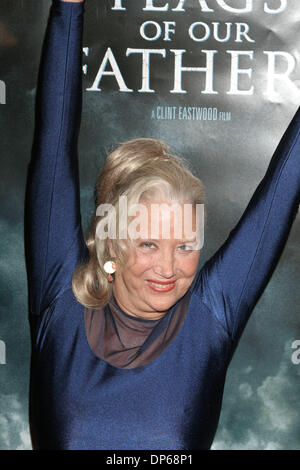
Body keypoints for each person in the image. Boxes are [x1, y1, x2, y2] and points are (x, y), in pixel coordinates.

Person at [24, 0, 300, 450]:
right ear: (112, 242)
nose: (169, 268)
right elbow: (53, 143)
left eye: (186, 246)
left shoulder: (210, 318)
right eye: (149, 243)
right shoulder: (62, 300)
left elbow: (284, 185)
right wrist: (69, 9)